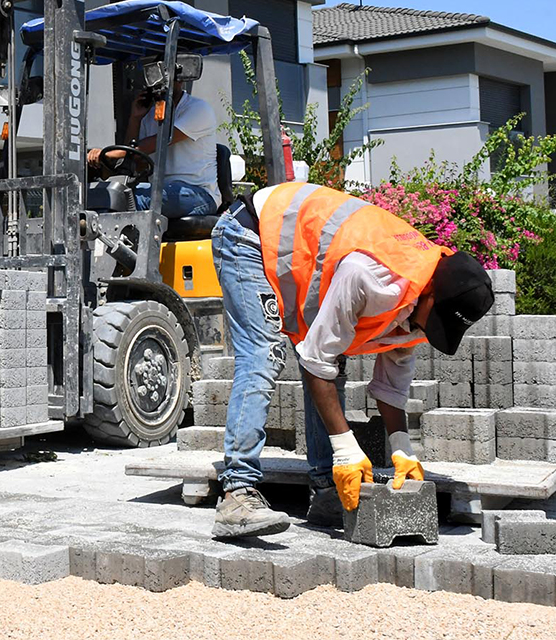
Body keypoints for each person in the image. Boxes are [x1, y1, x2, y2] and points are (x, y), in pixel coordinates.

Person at [209, 181, 494, 538]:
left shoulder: (421, 293)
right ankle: (237, 493)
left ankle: (327, 489)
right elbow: (315, 361)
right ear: (430, 293)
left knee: (332, 363)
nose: (426, 330)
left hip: (300, 254)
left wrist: (402, 449)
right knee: (263, 353)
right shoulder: (370, 275)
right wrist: (346, 449)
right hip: (249, 234)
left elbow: (390, 385)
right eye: (433, 321)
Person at [86, 86, 221, 217]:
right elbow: (134, 156)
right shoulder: (150, 115)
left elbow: (160, 141)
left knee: (129, 198)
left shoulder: (198, 109)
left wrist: (106, 153)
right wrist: (135, 118)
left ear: (179, 79)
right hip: (161, 189)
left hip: (199, 194)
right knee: (109, 192)